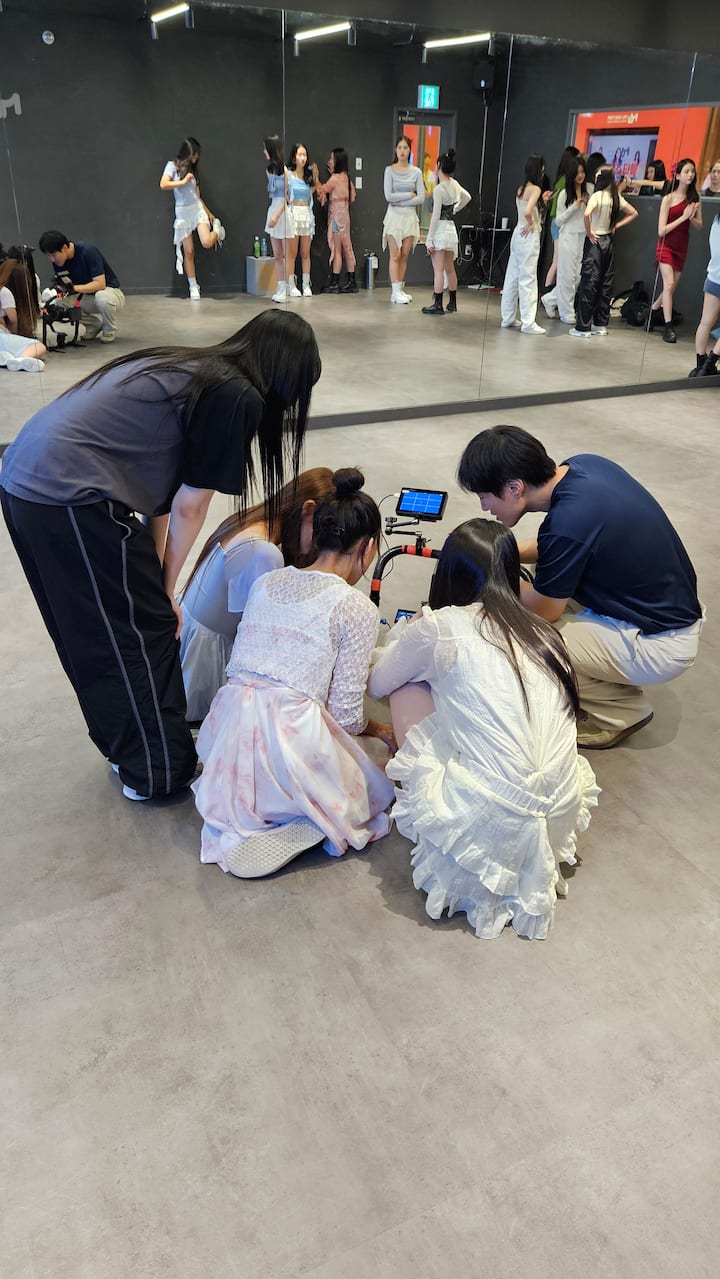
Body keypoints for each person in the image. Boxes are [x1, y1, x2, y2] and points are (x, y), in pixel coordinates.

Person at [0, 310, 321, 800]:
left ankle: (127, 752)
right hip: (68, 495)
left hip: (26, 482)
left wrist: (156, 585)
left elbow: (161, 497)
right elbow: (191, 505)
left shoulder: (191, 369)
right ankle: (155, 771)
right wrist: (165, 593)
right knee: (140, 636)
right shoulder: (237, 395)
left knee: (92, 633)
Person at [368, 519, 599, 940]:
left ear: (449, 571)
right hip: (556, 811)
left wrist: (407, 634)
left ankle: (411, 781)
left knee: (406, 682)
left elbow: (379, 682)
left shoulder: (439, 625)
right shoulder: (543, 631)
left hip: (484, 821)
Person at [192, 467, 395, 879]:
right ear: (369, 547)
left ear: (315, 534)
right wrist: (380, 730)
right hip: (292, 737)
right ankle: (304, 806)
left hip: (227, 730)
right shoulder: (356, 607)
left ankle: (273, 805)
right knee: (379, 764)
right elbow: (345, 715)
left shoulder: (268, 582)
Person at [458, 425, 704, 749]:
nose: (484, 507)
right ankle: (609, 671)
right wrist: (498, 550)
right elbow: (556, 546)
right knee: (540, 571)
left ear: (515, 487)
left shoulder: (567, 523)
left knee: (523, 634)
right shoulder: (584, 466)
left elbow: (543, 611)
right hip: (667, 610)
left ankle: (619, 712)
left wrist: (486, 566)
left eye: (484, 496)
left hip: (662, 645)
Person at [179, 467, 335, 720]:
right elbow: (260, 640)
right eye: (322, 533)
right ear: (308, 509)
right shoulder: (264, 553)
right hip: (205, 664)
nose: (321, 546)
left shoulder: (249, 523)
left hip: (191, 641)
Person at [570, 166, 637, 338]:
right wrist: (616, 225)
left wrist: (589, 232)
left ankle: (583, 327)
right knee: (605, 284)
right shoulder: (615, 197)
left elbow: (586, 214)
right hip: (608, 241)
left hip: (595, 242)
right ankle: (600, 324)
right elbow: (633, 213)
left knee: (589, 283)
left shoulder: (597, 196)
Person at [159, 136, 226, 302]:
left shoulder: (193, 172)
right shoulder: (172, 166)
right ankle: (193, 286)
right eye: (195, 154)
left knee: (206, 242)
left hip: (197, 210)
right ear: (189, 153)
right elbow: (163, 184)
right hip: (182, 213)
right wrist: (182, 182)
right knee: (188, 252)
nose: (196, 158)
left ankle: (217, 231)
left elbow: (197, 196)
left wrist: (209, 214)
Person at [647, 159, 702, 343]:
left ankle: (652, 311)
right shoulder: (668, 199)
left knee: (670, 288)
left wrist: (691, 217)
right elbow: (661, 230)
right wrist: (683, 218)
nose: (690, 174)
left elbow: (699, 225)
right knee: (669, 285)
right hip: (666, 246)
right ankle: (668, 327)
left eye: (692, 171)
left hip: (681, 247)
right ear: (677, 175)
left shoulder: (695, 198)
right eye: (686, 171)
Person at [38, 230, 126, 343]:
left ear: (64, 247)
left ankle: (109, 329)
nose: (52, 259)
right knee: (59, 302)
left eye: (54, 255)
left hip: (110, 293)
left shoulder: (88, 251)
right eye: (49, 256)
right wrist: (61, 289)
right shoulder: (58, 261)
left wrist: (74, 288)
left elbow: (100, 284)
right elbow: (67, 286)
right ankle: (93, 325)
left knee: (102, 297)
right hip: (86, 296)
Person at [500, 154, 550, 335]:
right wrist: (531, 223)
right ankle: (528, 322)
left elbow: (527, 209)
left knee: (512, 276)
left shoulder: (521, 189)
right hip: (529, 236)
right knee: (528, 278)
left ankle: (508, 317)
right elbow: (529, 211)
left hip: (518, 234)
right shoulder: (535, 189)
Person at [421, 149, 471, 316]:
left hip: (440, 231)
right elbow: (467, 197)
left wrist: (429, 239)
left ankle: (438, 304)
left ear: (439, 166)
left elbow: (435, 216)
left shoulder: (439, 189)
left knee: (438, 270)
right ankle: (453, 302)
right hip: (451, 230)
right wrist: (455, 209)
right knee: (450, 269)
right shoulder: (454, 184)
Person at [541, 156, 589, 326]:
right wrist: (575, 206)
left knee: (578, 277)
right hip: (567, 236)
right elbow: (559, 220)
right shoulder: (564, 194)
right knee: (567, 276)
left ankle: (550, 299)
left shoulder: (587, 193)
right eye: (577, 173)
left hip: (582, 236)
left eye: (583, 172)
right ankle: (566, 311)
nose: (580, 176)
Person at [382, 135, 425, 305]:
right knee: (395, 254)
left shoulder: (416, 172)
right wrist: (408, 195)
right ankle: (394, 291)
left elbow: (421, 197)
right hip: (394, 217)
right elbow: (388, 196)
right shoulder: (389, 170)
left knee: (405, 255)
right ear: (395, 150)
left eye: (405, 148)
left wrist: (401, 201)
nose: (402, 151)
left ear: (409, 150)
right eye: (399, 147)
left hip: (409, 217)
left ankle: (399, 290)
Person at [316, 148, 357, 294]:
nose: (330, 161)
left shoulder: (334, 179)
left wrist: (316, 176)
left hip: (336, 217)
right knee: (347, 247)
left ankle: (335, 281)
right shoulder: (347, 178)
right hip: (345, 215)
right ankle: (351, 281)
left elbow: (322, 190)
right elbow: (352, 197)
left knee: (337, 248)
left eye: (332, 159)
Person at [263, 134, 295, 304]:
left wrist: (276, 215)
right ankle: (280, 287)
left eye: (265, 148)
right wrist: (273, 215)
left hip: (282, 213)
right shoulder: (269, 171)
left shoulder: (285, 171)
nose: (263, 152)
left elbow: (286, 197)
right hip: (273, 210)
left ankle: (288, 286)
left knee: (286, 254)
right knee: (277, 254)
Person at [688, 208, 720, 377]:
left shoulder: (717, 219)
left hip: (713, 277)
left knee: (705, 323)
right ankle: (710, 364)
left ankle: (700, 364)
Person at [543, 146, 580, 291]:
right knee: (558, 261)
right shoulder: (566, 182)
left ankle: (549, 292)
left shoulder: (560, 179)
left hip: (557, 222)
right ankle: (546, 292)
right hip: (559, 223)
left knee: (559, 261)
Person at [0, 260, 46, 372]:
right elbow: (13, 320)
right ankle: (19, 360)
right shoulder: (5, 292)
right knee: (38, 346)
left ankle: (9, 357)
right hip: (3, 335)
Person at [286, 142, 319, 297]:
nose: (303, 158)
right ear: (294, 157)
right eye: (300, 155)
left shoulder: (308, 177)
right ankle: (291, 285)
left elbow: (313, 190)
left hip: (306, 214)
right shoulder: (289, 175)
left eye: (304, 155)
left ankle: (306, 284)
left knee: (305, 253)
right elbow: (284, 193)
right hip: (293, 214)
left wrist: (316, 176)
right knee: (291, 253)